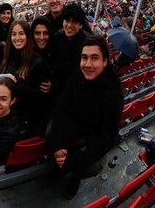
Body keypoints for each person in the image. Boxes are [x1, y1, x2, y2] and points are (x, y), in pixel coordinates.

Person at [49, 35, 124, 199]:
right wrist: (58, 145)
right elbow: (61, 106)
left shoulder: (114, 92)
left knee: (92, 166)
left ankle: (73, 177)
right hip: (76, 122)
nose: (88, 64)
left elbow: (107, 137)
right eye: (84, 58)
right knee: (51, 134)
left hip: (95, 133)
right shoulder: (77, 74)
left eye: (94, 58)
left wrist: (73, 161)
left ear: (105, 61)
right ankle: (58, 165)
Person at [0, 20, 50, 136]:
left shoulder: (37, 61)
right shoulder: (7, 58)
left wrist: (16, 86)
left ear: (28, 35)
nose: (17, 38)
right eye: (14, 34)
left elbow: (40, 96)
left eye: (21, 33)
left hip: (24, 124)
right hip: (5, 117)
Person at [50, 3, 93, 99]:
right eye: (67, 20)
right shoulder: (57, 37)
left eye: (74, 22)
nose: (69, 25)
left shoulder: (88, 44)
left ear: (81, 25)